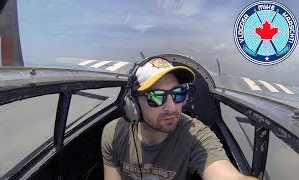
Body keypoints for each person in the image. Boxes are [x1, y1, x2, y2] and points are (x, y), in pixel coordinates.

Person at [101, 57, 256, 180]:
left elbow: (223, 174)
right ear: (133, 103)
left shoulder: (197, 136)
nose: (172, 107)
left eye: (177, 94)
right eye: (156, 97)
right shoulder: (114, 134)